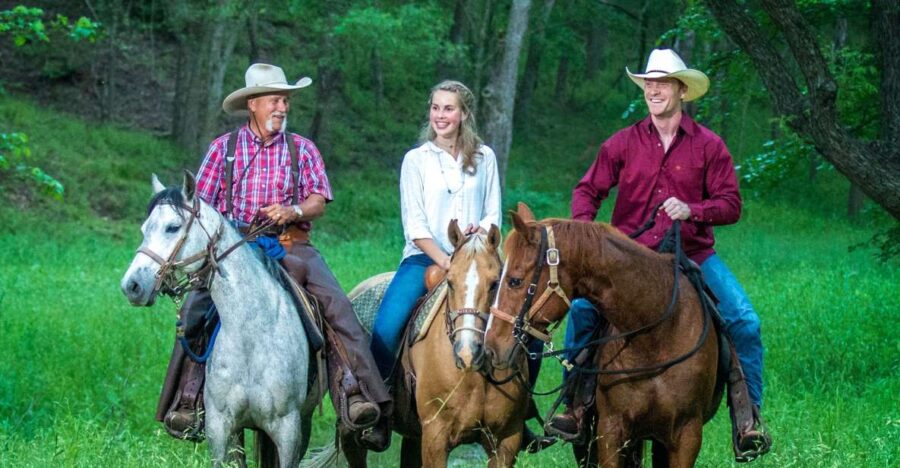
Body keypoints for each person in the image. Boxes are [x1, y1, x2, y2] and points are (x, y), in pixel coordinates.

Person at [548, 49, 771, 461]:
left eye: (662, 83)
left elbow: (731, 204)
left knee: (744, 320)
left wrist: (693, 210)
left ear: (681, 90)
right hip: (629, 259)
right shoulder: (623, 142)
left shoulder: (709, 146)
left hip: (692, 255)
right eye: (648, 83)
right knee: (582, 311)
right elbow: (587, 190)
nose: (653, 89)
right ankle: (575, 404)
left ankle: (747, 416)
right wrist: (590, 235)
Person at [156, 63, 390, 451]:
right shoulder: (223, 150)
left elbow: (318, 201)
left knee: (336, 307)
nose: (282, 107)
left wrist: (293, 211)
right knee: (193, 312)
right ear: (253, 105)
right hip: (233, 249)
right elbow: (201, 207)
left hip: (290, 244)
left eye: (285, 100)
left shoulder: (302, 149)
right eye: (274, 100)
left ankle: (358, 394)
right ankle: (187, 400)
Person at [370, 80, 501, 378]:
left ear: (464, 114)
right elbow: (415, 226)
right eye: (435, 108)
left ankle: (521, 406)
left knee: (522, 326)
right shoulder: (416, 160)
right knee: (386, 328)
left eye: (449, 109)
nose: (440, 115)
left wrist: (477, 234)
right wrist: (446, 261)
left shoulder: (485, 157)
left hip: (479, 260)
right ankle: (376, 402)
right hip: (425, 258)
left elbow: (492, 214)